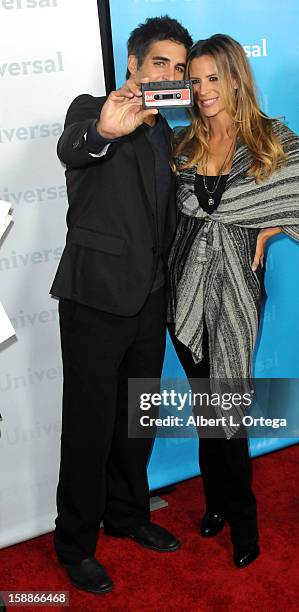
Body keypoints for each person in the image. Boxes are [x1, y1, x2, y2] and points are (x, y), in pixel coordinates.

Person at [167, 34, 299, 569]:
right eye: (194, 79)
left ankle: (243, 520)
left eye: (212, 78)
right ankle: (215, 503)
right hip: (183, 291)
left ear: (235, 78)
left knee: (231, 404)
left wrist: (270, 230)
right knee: (208, 406)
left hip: (238, 292)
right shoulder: (182, 143)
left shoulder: (269, 139)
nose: (202, 89)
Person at [51, 16, 193, 594]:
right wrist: (105, 132)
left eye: (179, 68)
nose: (170, 75)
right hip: (95, 296)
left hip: (150, 297)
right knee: (88, 427)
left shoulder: (171, 131)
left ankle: (127, 514)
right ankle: (74, 544)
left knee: (137, 419)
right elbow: (75, 147)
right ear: (132, 65)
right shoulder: (92, 109)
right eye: (160, 62)